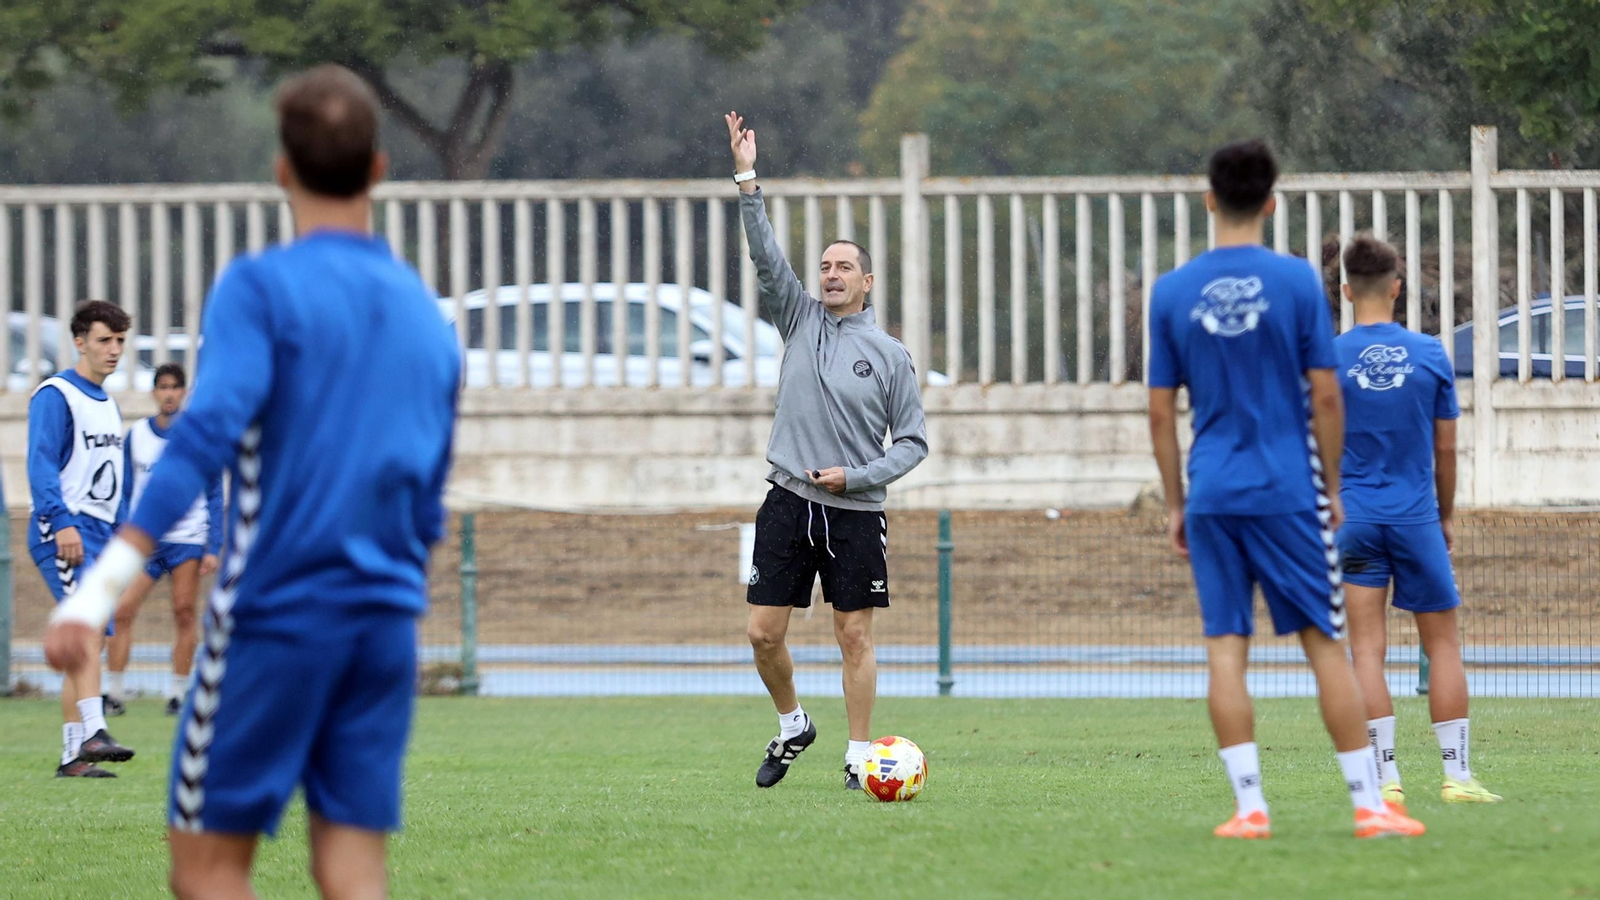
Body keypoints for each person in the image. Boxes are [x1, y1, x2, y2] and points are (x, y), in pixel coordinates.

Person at [44, 64, 460, 899]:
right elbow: (424, 508)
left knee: (206, 867)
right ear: (378, 167)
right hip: (382, 631)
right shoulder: (427, 316)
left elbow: (199, 442)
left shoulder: (260, 287)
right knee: (353, 870)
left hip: (274, 620)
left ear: (281, 170)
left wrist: (96, 596)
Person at [1147, 139, 1425, 839]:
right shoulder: (1300, 281)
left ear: (1210, 200)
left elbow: (1158, 410)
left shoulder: (1172, 291)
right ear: (1271, 203)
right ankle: (1368, 807)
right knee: (1324, 645)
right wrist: (1331, 487)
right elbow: (1326, 397)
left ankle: (1249, 809)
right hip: (1285, 490)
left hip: (1212, 491)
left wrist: (1177, 503)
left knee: (1225, 648)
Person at [725, 111, 929, 790]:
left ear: (867, 282)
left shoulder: (891, 356)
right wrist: (748, 177)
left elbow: (914, 443)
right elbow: (764, 258)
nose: (831, 274)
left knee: (854, 636)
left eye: (844, 267)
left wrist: (858, 477)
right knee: (761, 633)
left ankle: (860, 755)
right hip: (788, 499)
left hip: (854, 511)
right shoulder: (799, 318)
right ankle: (792, 724)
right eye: (825, 266)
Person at [1334, 234, 1502, 811]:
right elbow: (1447, 450)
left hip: (1355, 519)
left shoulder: (1329, 358)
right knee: (1444, 644)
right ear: (1398, 287)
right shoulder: (1430, 354)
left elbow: (1317, 443)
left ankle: (1386, 779)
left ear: (1347, 289)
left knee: (1366, 650)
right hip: (1417, 518)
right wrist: (1446, 514)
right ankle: (1457, 775)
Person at [28, 300, 138, 777]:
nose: (114, 350)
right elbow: (42, 463)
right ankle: (93, 730)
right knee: (87, 632)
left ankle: (74, 756)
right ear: (78, 342)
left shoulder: (109, 402)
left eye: (119, 342)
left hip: (99, 534)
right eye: (103, 340)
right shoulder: (56, 394)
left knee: (84, 642)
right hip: (66, 529)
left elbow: (113, 480)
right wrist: (62, 520)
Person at [105, 362, 224, 715]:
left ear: (184, 392)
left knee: (184, 611)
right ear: (154, 392)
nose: (169, 393)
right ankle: (114, 694)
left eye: (175, 387)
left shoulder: (198, 438)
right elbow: (124, 490)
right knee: (122, 610)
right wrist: (120, 534)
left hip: (187, 539)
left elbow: (215, 495)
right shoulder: (137, 436)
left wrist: (213, 546)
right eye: (163, 387)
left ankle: (177, 693)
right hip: (145, 540)